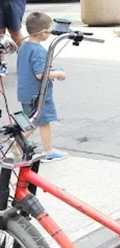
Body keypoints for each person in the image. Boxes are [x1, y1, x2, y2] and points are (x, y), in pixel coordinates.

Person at [17, 12, 68, 162]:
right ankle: (47, 151)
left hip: (25, 92)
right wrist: (59, 73)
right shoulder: (38, 51)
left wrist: (51, 70)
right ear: (44, 32)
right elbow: (40, 74)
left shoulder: (24, 47)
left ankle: (14, 142)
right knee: (42, 122)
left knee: (30, 121)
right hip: (38, 95)